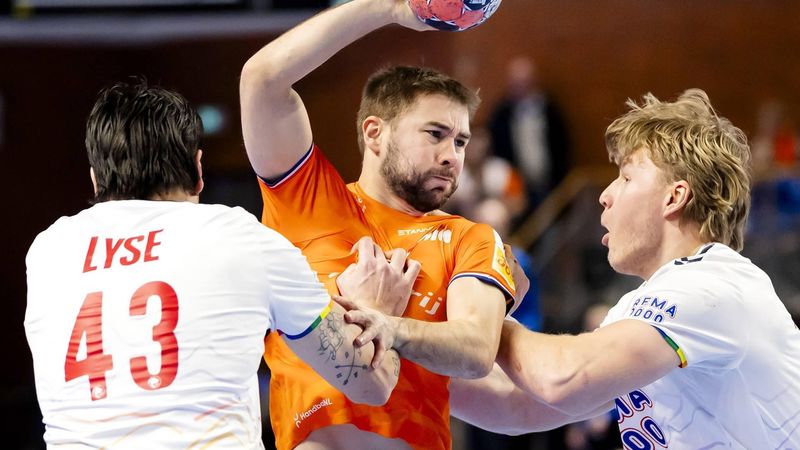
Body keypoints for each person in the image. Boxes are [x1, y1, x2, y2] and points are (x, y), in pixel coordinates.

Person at [24, 80, 415, 449]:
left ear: (95, 180)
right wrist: (375, 312)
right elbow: (369, 385)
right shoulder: (238, 236)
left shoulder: (47, 252)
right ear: (197, 171)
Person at [239, 1, 519, 449]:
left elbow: (476, 350)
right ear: (375, 133)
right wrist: (389, 8)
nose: (452, 155)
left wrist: (383, 322)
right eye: (435, 134)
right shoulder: (305, 200)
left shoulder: (469, 237)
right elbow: (262, 80)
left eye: (461, 140)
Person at [471, 88, 800, 447]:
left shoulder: (709, 284)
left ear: (674, 197)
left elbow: (561, 377)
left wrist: (484, 313)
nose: (605, 195)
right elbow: (515, 406)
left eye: (626, 177)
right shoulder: (645, 308)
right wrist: (415, 352)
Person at [487, 55, 570, 211]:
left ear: (533, 82)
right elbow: (496, 145)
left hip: (548, 180)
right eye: (516, 83)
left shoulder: (549, 109)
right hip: (516, 183)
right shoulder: (502, 113)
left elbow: (561, 144)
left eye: (524, 83)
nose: (520, 88)